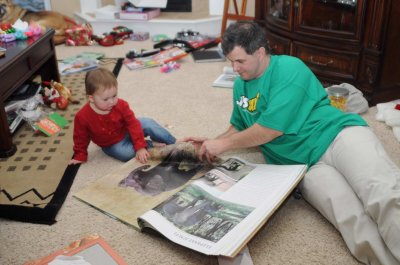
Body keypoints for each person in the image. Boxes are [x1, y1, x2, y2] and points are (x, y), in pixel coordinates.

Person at [184, 21, 400, 265]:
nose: (234, 68)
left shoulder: (288, 68)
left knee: (383, 191)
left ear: (260, 52)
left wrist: (223, 145)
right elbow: (239, 126)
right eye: (230, 61)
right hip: (302, 167)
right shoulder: (240, 86)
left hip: (336, 135)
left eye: (240, 61)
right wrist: (214, 141)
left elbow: (268, 130)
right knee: (352, 221)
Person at [69, 67, 176, 165]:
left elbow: (132, 123)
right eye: (106, 99)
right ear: (91, 98)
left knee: (147, 123)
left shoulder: (121, 105)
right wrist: (80, 155)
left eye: (114, 96)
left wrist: (140, 146)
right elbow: (80, 137)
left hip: (126, 130)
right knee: (126, 154)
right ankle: (150, 145)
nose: (111, 101)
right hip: (111, 144)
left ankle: (173, 142)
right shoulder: (82, 116)